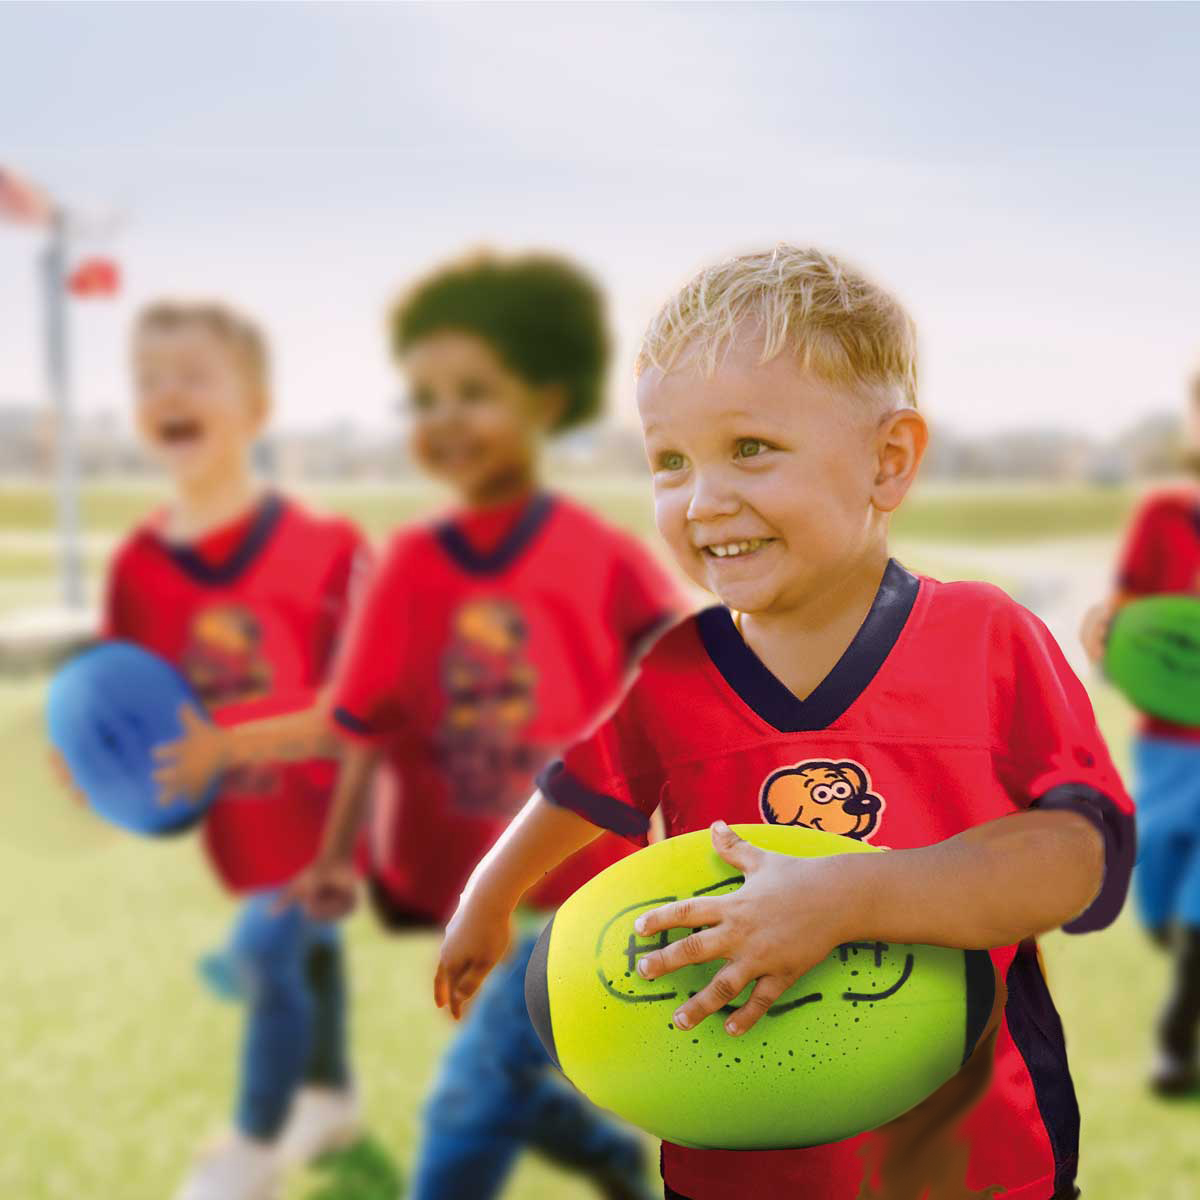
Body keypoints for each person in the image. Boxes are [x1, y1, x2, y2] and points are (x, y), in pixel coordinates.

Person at [437, 245, 1136, 1200]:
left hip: (971, 1162)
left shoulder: (986, 639)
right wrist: (490, 889)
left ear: (888, 461)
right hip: (735, 1157)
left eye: (750, 449)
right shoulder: (676, 676)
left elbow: (1077, 857)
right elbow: (585, 791)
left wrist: (846, 897)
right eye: (670, 461)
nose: (704, 498)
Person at [196, 252, 685, 1198]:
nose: (444, 418)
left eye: (473, 392)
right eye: (423, 399)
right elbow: (362, 721)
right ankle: (605, 1156)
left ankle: (578, 1153)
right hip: (464, 882)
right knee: (503, 1071)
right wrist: (337, 858)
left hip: (575, 878)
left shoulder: (603, 558)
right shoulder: (411, 563)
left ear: (545, 401)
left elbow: (682, 683)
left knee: (467, 1101)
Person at [102, 301, 367, 1200]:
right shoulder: (139, 564)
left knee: (266, 953)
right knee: (306, 957)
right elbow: (127, 703)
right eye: (148, 379)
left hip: (332, 819)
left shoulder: (326, 547)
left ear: (254, 406)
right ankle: (331, 1097)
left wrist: (225, 743)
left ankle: (252, 1149)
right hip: (241, 827)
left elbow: (357, 712)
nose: (165, 393)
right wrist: (95, 758)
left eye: (191, 375)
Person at [1080, 365, 1200, 1096]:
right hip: (1166, 746)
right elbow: (1122, 620)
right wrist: (1105, 633)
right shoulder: (1163, 517)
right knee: (1154, 889)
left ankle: (1174, 1044)